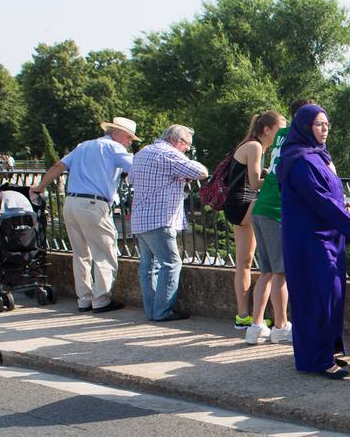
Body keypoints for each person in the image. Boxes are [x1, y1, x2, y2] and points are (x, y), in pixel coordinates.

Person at [277, 103, 350, 379]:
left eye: (327, 124)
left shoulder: (316, 155)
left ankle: (325, 352)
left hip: (327, 239)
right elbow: (322, 203)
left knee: (330, 294)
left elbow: (333, 199)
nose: (324, 129)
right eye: (319, 124)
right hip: (310, 241)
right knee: (316, 296)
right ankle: (316, 360)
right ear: (305, 126)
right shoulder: (300, 161)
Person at [32, 116, 138, 313]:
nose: (130, 142)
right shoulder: (115, 148)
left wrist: (39, 187)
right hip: (93, 204)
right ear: (116, 134)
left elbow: (58, 167)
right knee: (105, 253)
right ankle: (101, 300)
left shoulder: (83, 146)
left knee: (80, 254)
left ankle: (84, 299)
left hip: (71, 203)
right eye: (129, 137)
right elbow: (138, 169)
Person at [128, 124, 208, 322]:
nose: (187, 149)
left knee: (148, 266)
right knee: (171, 263)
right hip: (160, 218)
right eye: (187, 145)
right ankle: (163, 311)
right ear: (176, 140)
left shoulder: (143, 152)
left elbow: (130, 179)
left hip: (140, 218)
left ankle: (152, 310)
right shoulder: (168, 154)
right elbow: (201, 171)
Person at [222, 111, 284, 332]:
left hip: (235, 205)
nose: (281, 136)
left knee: (244, 263)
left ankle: (243, 316)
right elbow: (256, 184)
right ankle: (264, 318)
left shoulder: (248, 144)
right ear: (267, 129)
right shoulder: (256, 147)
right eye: (279, 131)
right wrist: (274, 176)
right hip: (245, 203)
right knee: (266, 264)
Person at [242, 107, 298, 346]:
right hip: (274, 211)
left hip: (260, 208)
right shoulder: (294, 137)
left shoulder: (279, 140)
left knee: (265, 272)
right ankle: (280, 326)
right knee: (280, 273)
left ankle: (255, 327)